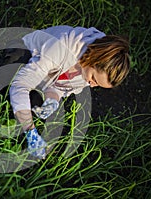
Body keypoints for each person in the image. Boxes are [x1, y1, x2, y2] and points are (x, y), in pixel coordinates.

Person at [9, 25, 130, 159]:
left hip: (44, 78)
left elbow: (60, 87)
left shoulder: (87, 71)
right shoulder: (60, 47)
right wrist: (30, 132)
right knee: (7, 78)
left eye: (97, 85)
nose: (92, 85)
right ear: (93, 59)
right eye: (94, 79)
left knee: (32, 105)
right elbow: (21, 84)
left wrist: (52, 99)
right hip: (27, 53)